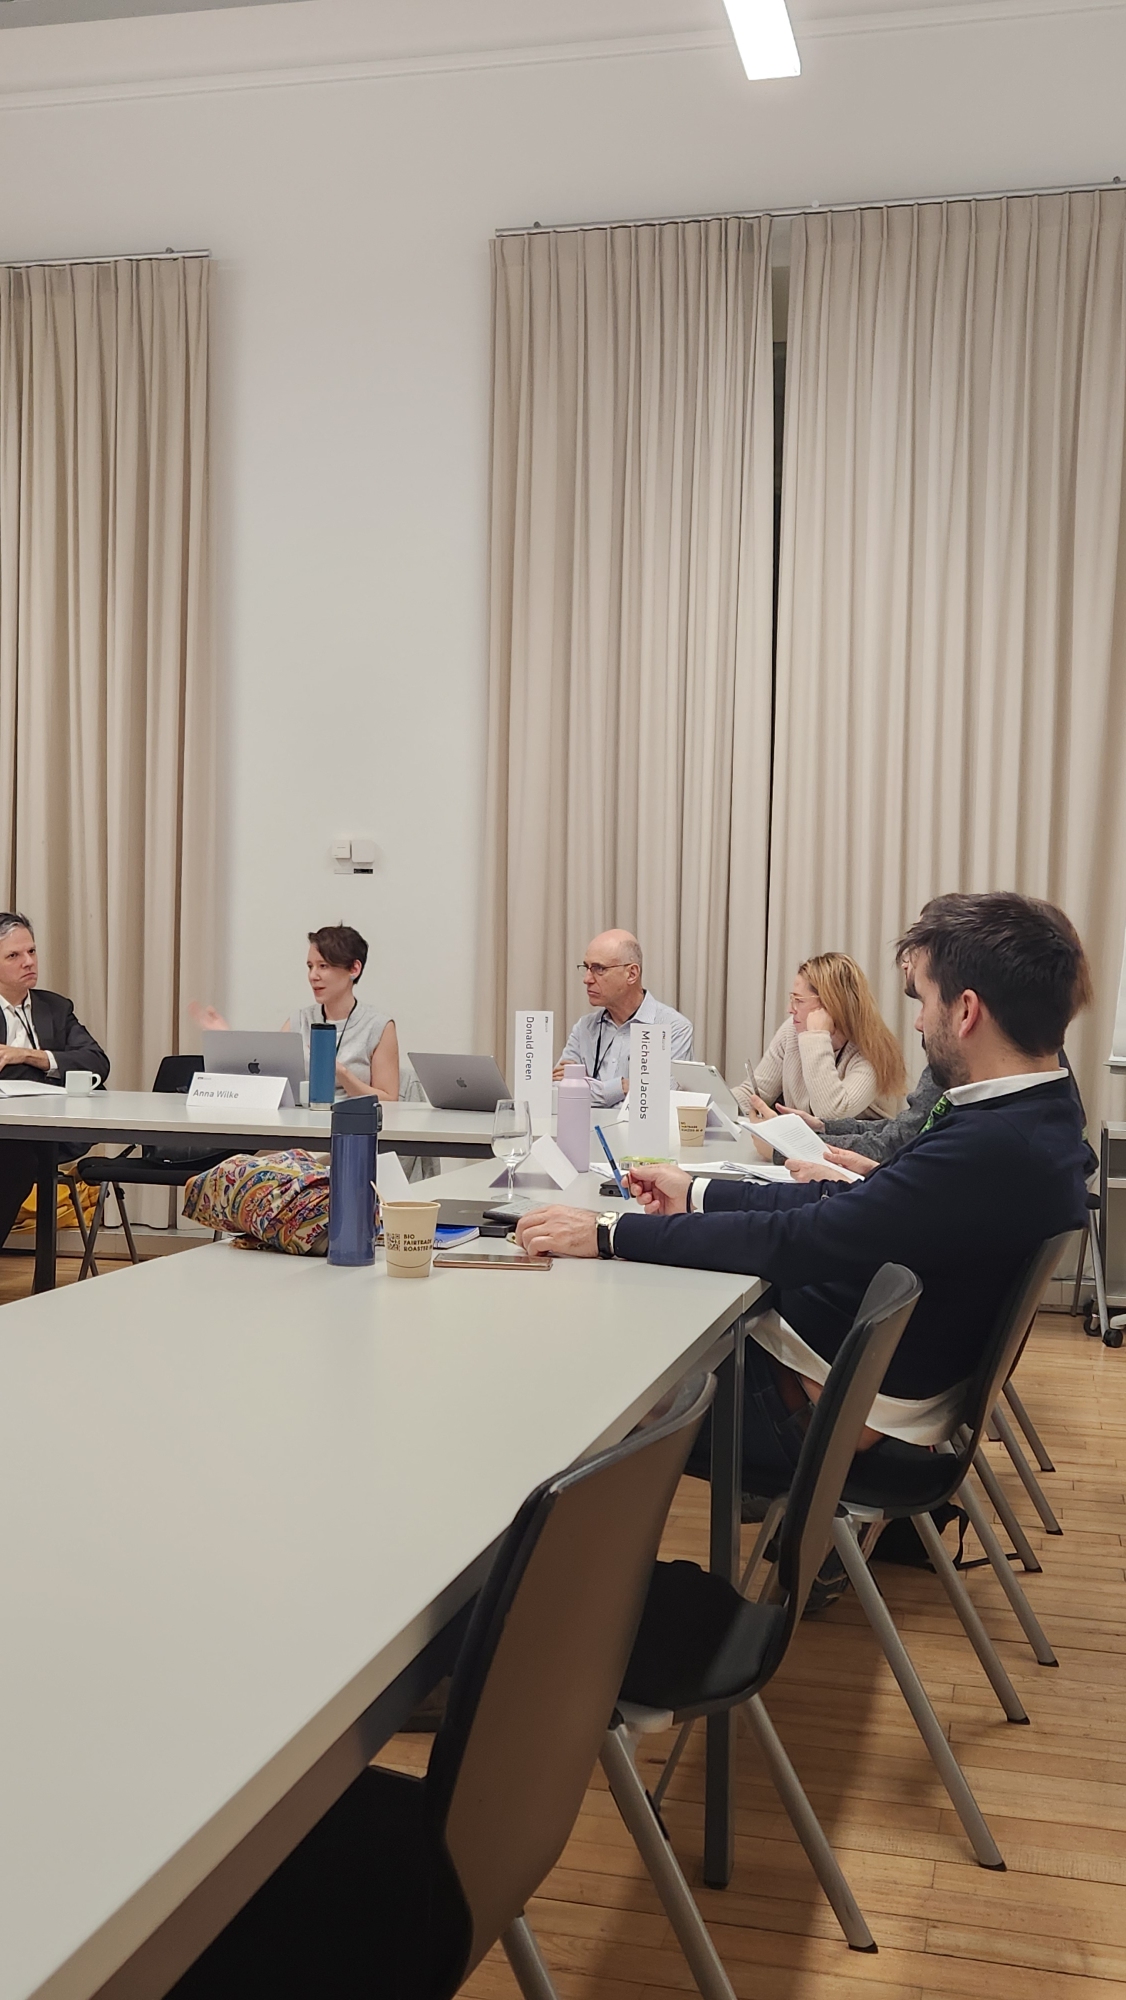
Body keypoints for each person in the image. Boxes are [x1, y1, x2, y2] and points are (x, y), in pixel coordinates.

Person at [515, 892, 1091, 1476]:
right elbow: (847, 1203)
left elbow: (799, 1237)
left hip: (810, 1412)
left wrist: (610, 1233)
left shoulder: (986, 1147)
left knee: (576, 1359)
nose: (919, 1021)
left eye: (924, 1001)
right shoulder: (1041, 1116)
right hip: (848, 1380)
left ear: (966, 1011)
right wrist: (696, 1193)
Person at [0, 911, 111, 1246]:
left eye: (32, 951)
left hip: (48, 1134)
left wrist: (26, 1056)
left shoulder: (55, 1008)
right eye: (13, 956)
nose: (28, 962)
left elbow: (96, 1063)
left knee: (19, 1161)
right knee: (15, 1161)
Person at [191, 925, 399, 1101]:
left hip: (350, 1127)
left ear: (354, 969)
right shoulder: (299, 1021)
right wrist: (228, 1040)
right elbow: (266, 1077)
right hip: (298, 1126)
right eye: (310, 966)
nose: (313, 976)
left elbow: (389, 1100)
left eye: (323, 966)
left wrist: (341, 1072)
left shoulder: (378, 1026)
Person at [734, 952, 906, 1123]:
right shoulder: (793, 1030)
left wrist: (816, 1037)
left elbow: (831, 1114)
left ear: (831, 1004)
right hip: (805, 1138)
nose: (790, 1009)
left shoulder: (874, 1052)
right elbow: (755, 1093)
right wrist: (718, 1104)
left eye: (799, 1001)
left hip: (857, 1140)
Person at [554, 930, 692, 1109]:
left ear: (632, 974)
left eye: (599, 969)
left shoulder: (674, 1028)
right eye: (586, 968)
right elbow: (558, 1091)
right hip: (586, 1127)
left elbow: (662, 1099)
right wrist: (621, 1088)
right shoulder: (584, 1028)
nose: (587, 979)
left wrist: (583, 1086)